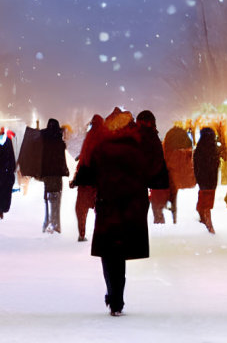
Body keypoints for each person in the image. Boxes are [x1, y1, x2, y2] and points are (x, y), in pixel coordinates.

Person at [71, 108, 169, 317]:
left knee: (110, 253)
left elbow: (86, 175)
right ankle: (118, 298)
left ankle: (114, 297)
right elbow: (155, 175)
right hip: (133, 206)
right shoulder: (138, 148)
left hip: (108, 205)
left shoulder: (102, 148)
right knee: (121, 252)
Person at [71, 114, 105, 242]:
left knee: (81, 209)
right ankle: (100, 233)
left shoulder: (89, 137)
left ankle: (82, 233)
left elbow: (84, 159)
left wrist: (76, 178)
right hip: (98, 181)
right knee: (100, 209)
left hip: (85, 179)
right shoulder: (105, 136)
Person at [39, 118, 69, 233]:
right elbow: (62, 159)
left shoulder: (43, 141)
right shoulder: (59, 142)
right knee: (56, 199)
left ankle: (47, 222)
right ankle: (55, 224)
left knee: (47, 199)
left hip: (47, 174)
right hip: (56, 174)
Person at [159, 125, 194, 224]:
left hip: (170, 170)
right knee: (174, 193)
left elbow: (164, 155)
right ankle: (174, 212)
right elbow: (189, 155)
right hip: (179, 171)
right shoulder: (185, 140)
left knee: (172, 192)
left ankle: (171, 208)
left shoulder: (169, 141)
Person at [192, 126, 222, 233]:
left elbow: (196, 165)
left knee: (204, 198)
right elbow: (217, 164)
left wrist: (198, 177)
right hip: (211, 179)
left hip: (203, 179)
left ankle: (204, 218)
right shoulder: (214, 149)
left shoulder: (199, 149)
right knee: (208, 200)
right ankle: (208, 222)